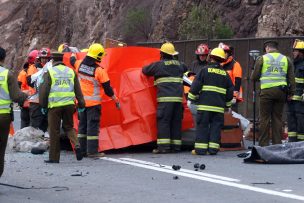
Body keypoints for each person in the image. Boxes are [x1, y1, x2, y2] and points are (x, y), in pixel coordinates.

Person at [71, 43, 120, 157]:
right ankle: (92, 152)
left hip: (81, 104)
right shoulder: (99, 71)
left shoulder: (79, 65)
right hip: (93, 105)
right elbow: (108, 89)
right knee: (92, 127)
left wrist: (73, 53)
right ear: (98, 56)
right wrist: (116, 100)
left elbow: (72, 60)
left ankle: (82, 151)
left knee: (82, 127)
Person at [39, 52, 85, 163]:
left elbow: (44, 91)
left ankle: (54, 158)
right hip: (69, 105)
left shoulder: (49, 72)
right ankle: (77, 145)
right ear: (62, 60)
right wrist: (82, 104)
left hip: (54, 106)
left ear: (53, 61)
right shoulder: (71, 71)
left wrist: (43, 106)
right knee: (68, 127)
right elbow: (78, 90)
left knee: (54, 131)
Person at [142, 42, 188, 154]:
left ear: (162, 54)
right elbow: (185, 68)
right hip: (178, 101)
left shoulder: (159, 65)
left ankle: (164, 147)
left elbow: (145, 70)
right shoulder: (180, 65)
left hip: (165, 101)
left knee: (164, 122)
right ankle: (176, 147)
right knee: (176, 122)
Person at [188, 47, 234, 155]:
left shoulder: (204, 71)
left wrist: (192, 98)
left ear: (211, 58)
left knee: (202, 126)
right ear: (222, 60)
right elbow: (230, 92)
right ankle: (213, 150)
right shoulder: (225, 74)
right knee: (216, 128)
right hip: (218, 108)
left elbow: (195, 87)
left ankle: (200, 150)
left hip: (204, 107)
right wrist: (227, 105)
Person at [251, 40, 295, 147]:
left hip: (266, 92)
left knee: (264, 118)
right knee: (277, 118)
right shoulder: (286, 59)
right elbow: (291, 78)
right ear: (276, 48)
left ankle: (264, 145)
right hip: (281, 92)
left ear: (267, 48)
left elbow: (254, 77)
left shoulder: (262, 58)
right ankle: (277, 145)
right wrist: (291, 93)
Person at [0, 47, 28, 176]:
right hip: (3, 117)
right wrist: (26, 95)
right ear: (3, 58)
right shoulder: (7, 74)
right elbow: (16, 96)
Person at [26, 48, 50, 132]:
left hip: (47, 102)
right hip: (36, 103)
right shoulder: (33, 68)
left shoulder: (51, 67)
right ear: (39, 59)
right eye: (43, 58)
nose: (44, 60)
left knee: (45, 126)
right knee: (35, 127)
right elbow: (29, 82)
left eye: (46, 58)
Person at [287, 39, 304, 142]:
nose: (294, 53)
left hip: (300, 100)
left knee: (301, 121)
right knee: (291, 120)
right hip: (291, 98)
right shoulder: (293, 64)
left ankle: (301, 144)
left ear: (302, 52)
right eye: (294, 50)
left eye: (296, 51)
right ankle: (292, 142)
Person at [219, 43, 243, 111]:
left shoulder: (235, 64)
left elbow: (237, 81)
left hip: (231, 97)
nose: (223, 54)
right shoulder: (219, 65)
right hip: (221, 95)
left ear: (228, 53)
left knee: (232, 116)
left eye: (225, 53)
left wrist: (234, 96)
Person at [17, 50, 38, 128]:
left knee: (24, 124)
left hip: (24, 102)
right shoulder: (36, 71)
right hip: (33, 102)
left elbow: (18, 87)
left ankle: (22, 140)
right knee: (33, 125)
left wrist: (20, 101)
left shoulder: (23, 72)